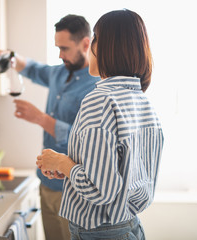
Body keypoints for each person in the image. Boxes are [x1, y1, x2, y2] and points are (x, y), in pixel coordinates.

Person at [36, 9, 164, 240]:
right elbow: (118, 176)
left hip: (98, 233)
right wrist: (69, 170)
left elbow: (100, 190)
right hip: (129, 226)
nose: (91, 46)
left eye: (95, 38)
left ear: (108, 47)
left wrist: (62, 162)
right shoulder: (142, 102)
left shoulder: (100, 101)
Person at [0, 15, 100, 240]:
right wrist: (9, 57)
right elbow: (31, 68)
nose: (60, 55)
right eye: (57, 48)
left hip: (73, 192)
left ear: (85, 44)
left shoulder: (97, 85)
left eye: (64, 48)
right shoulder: (58, 73)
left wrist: (41, 119)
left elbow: (88, 140)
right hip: (46, 184)